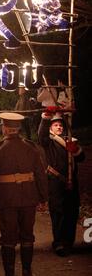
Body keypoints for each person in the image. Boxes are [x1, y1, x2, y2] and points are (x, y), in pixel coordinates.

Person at [0, 112, 48, 276]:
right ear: (18, 129)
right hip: (28, 197)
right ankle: (27, 274)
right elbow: (41, 174)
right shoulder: (31, 148)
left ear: (4, 128)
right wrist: (43, 198)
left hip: (7, 198)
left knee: (8, 238)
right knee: (27, 235)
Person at [38, 108, 85, 256]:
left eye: (61, 125)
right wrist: (46, 118)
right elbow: (41, 135)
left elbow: (81, 158)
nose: (59, 127)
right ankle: (58, 243)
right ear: (51, 128)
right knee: (58, 213)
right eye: (55, 125)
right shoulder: (49, 142)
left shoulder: (70, 140)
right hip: (56, 182)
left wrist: (75, 150)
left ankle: (68, 242)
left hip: (72, 183)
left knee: (71, 212)